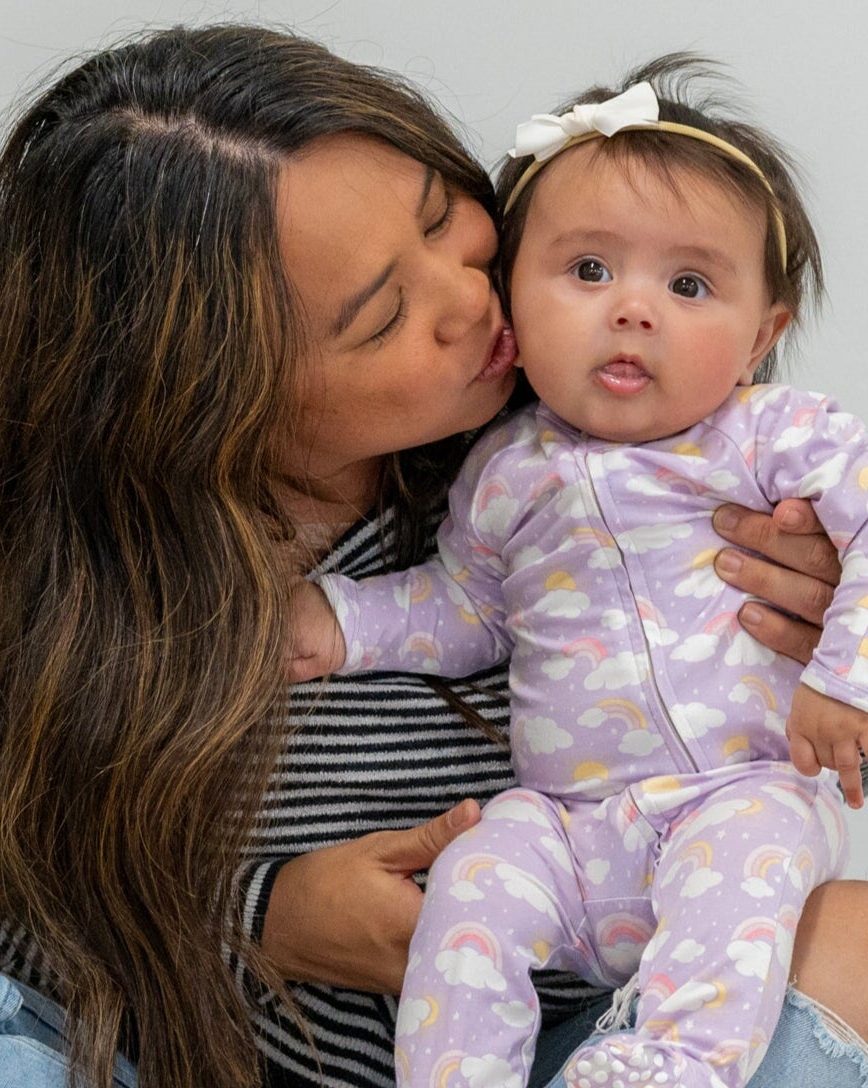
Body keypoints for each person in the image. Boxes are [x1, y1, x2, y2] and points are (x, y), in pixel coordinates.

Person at [0, 25, 864, 1088]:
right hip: (146, 1049)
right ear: (209, 398)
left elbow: (752, 808)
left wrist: (824, 645)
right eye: (383, 313)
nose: (471, 301)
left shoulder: (615, 417)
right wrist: (252, 919)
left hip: (568, 1032)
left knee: (847, 937)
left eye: (448, 221)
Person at [291, 59, 868, 1088]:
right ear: (512, 296)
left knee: (746, 871)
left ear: (759, 337)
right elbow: (463, 606)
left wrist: (839, 675)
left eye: (687, 285)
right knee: (476, 870)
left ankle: (672, 1063)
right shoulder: (503, 472)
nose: (630, 310)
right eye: (588, 271)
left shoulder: (768, 439)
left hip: (734, 789)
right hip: (567, 823)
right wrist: (335, 620)